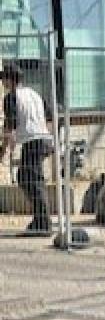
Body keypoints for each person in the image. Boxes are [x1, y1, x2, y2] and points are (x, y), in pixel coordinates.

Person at [1, 65, 54, 235]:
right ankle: (41, 220)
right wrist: (50, 137)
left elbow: (10, 127)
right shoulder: (34, 93)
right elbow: (50, 116)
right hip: (42, 138)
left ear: (10, 79)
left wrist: (3, 151)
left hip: (33, 141)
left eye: (3, 79)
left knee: (30, 179)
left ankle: (42, 222)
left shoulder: (11, 98)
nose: (2, 82)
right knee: (28, 178)